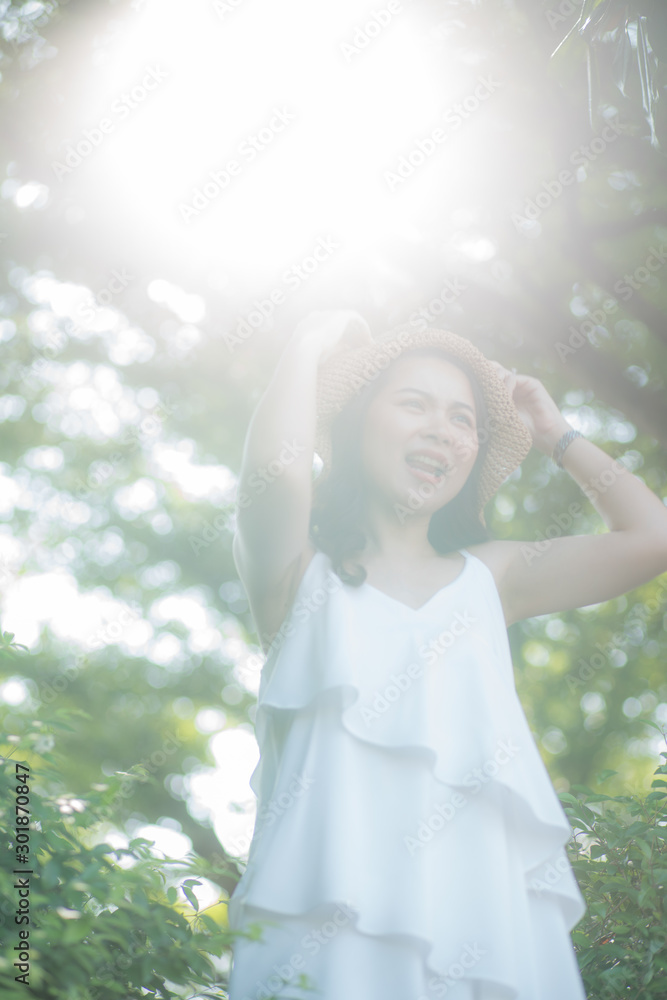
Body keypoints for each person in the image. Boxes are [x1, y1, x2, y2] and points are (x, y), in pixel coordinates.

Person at [225, 310, 667, 1000]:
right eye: (413, 404)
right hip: (325, 941)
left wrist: (556, 436)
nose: (442, 429)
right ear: (354, 424)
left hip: (487, 939)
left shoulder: (490, 579)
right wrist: (308, 345)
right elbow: (273, 470)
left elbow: (650, 537)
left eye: (464, 419)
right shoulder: (296, 576)